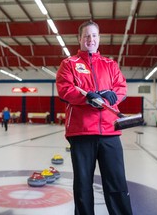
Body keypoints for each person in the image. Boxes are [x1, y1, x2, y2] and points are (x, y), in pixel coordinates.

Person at [56, 20, 133, 215]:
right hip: (81, 132)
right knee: (82, 185)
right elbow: (65, 89)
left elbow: (121, 87)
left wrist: (110, 93)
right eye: (86, 36)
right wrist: (86, 96)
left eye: (94, 36)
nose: (90, 39)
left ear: (99, 39)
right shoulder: (69, 64)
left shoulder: (110, 64)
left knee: (116, 183)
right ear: (79, 39)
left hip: (110, 131)